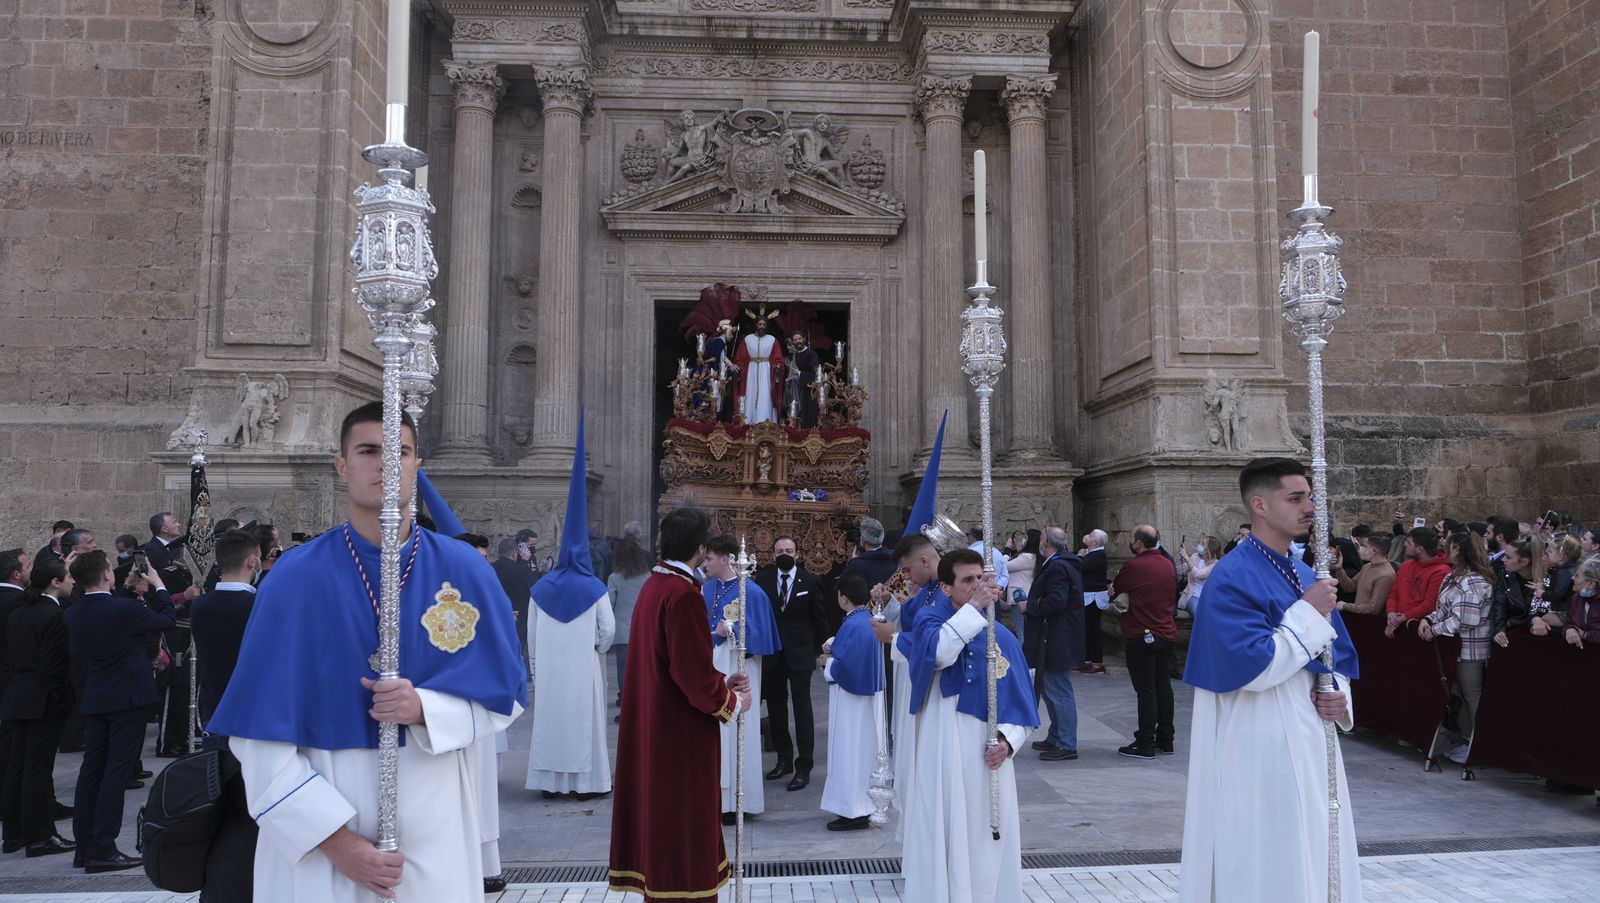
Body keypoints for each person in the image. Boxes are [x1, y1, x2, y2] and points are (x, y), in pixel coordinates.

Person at [206, 402, 526, 901]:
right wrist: (337, 844)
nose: (386, 464)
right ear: (341, 465)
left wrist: (426, 708)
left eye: (400, 451)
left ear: (419, 465)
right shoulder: (294, 577)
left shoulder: (466, 571)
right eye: (369, 450)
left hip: (434, 813)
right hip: (317, 842)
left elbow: (505, 698)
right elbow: (258, 740)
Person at [1179, 457, 1360, 903]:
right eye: (1295, 498)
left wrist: (1339, 694)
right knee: (1269, 844)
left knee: (1316, 838)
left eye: (1310, 497)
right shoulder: (1231, 575)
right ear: (1260, 504)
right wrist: (1308, 612)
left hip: (1310, 730)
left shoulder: (1304, 573)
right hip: (1256, 733)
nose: (1309, 508)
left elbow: (1333, 653)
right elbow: (1252, 665)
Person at [608, 507, 752, 901]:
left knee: (661, 817)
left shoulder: (655, 586)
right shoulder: (683, 595)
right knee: (683, 821)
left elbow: (665, 663)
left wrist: (721, 679)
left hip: (656, 722)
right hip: (680, 735)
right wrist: (733, 701)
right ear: (701, 548)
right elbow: (691, 677)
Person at [900, 548, 1038, 903]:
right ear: (946, 587)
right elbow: (941, 653)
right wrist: (974, 609)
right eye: (967, 581)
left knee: (985, 832)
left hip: (986, 752)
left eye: (981, 579)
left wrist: (1008, 742)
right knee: (945, 824)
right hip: (944, 743)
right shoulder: (930, 620)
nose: (977, 586)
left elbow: (1022, 702)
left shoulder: (1003, 636)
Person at [64, 549, 176, 872]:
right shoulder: (123, 610)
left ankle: (84, 846)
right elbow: (166, 619)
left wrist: (127, 589)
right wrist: (159, 585)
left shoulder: (74, 612)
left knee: (92, 770)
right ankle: (103, 848)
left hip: (97, 695)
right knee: (116, 771)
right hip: (127, 697)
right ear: (106, 574)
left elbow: (109, 613)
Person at [525, 419, 616, 800]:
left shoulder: (541, 588)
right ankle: (584, 784)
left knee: (551, 722)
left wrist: (537, 662)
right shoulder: (594, 588)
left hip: (549, 670)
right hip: (582, 666)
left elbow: (530, 634)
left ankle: (550, 783)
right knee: (585, 724)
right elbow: (608, 629)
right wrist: (595, 648)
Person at [187, 527, 263, 903]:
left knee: (217, 795)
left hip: (212, 706)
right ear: (253, 561)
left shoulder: (201, 605)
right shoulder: (256, 607)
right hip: (249, 710)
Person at [0, 555, 74, 858]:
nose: (72, 582)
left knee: (18, 765)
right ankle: (40, 835)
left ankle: (14, 833)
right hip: (41, 698)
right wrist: (63, 699)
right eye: (68, 578)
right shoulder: (52, 615)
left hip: (18, 695)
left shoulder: (22, 612)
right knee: (37, 769)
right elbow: (54, 667)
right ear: (55, 583)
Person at [701, 534, 778, 821]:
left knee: (739, 731)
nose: (705, 563)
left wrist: (732, 632)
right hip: (712, 670)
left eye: (709, 558)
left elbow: (762, 638)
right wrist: (715, 634)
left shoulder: (752, 592)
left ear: (725, 559)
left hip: (740, 669)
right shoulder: (705, 590)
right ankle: (715, 799)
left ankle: (741, 801)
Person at [754, 535, 825, 791]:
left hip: (801, 654)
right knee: (776, 709)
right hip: (773, 654)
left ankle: (804, 764)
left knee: (802, 709)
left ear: (797, 554)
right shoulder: (762, 581)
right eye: (780, 550)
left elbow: (819, 617)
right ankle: (784, 758)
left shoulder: (810, 580)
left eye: (789, 550)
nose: (784, 553)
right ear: (773, 555)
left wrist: (821, 649)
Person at [1417, 531, 1494, 763]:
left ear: (1459, 550)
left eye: (1448, 546)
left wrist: (1436, 630)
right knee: (1455, 694)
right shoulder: (1453, 577)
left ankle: (1477, 744)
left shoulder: (1474, 582)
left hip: (1470, 648)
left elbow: (1466, 619)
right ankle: (1464, 739)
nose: (1444, 549)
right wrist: (1428, 619)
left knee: (1471, 695)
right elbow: (1444, 609)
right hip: (1454, 647)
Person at [816, 576, 882, 831]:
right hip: (866, 697)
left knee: (847, 752)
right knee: (861, 753)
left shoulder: (852, 625)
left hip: (851, 699)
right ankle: (861, 806)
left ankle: (853, 811)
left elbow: (846, 667)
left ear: (843, 598)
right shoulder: (867, 620)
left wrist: (826, 661)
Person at [1111, 525, 1178, 758]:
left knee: (1146, 689)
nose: (1130, 542)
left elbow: (1116, 588)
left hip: (1141, 633)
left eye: (1131, 539)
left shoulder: (1135, 565)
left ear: (1139, 543)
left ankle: (1146, 743)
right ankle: (1166, 740)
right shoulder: (1167, 563)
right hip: (1166, 632)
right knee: (1163, 686)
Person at [1022, 526, 1083, 761]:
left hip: (1057, 637)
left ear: (1046, 543)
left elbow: (1057, 601)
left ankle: (1066, 743)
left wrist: (1031, 606)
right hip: (1053, 636)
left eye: (1041, 539)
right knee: (1050, 690)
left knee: (1059, 690)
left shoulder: (1058, 565)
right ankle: (1056, 735)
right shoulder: (1059, 563)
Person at [606, 523, 650, 714]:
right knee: (642, 670)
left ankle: (626, 705)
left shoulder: (615, 578)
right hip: (643, 630)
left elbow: (609, 604)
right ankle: (640, 703)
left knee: (623, 670)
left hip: (622, 630)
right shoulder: (648, 576)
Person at [1384, 527, 1450, 637]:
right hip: (1397, 627)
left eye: (1409, 542)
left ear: (1419, 549)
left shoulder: (1442, 571)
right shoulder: (1406, 566)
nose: (1405, 544)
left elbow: (1430, 604)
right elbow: (1394, 593)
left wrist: (1402, 618)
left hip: (1419, 631)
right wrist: (1391, 614)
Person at [490, 538, 536, 679]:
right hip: (520, 616)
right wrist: (525, 561)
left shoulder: (491, 568)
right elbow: (534, 586)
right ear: (514, 553)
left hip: (497, 615)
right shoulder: (520, 568)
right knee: (519, 649)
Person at [1490, 537, 1538, 646]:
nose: (1503, 559)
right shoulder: (1504, 575)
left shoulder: (1544, 578)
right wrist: (1499, 631)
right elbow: (1499, 605)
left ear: (1524, 561)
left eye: (1508, 557)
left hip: (1534, 634)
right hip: (1510, 631)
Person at [735, 317, 783, 424]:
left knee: (765, 394)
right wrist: (739, 366)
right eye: (760, 324)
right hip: (751, 370)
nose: (761, 326)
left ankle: (765, 422)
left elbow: (778, 357)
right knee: (749, 393)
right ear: (756, 325)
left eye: (764, 324)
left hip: (766, 370)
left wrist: (777, 366)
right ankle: (748, 422)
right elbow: (740, 357)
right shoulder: (747, 339)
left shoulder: (772, 340)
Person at [1341, 532, 1396, 616]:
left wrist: (1346, 606)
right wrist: (1339, 569)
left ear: (1374, 551)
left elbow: (1374, 609)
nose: (1361, 548)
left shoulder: (1386, 576)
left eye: (1365, 546)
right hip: (1358, 619)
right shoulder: (1367, 566)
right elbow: (1350, 587)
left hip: (1369, 624)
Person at [1077, 529, 1109, 674]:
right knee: (1087, 629)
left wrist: (1079, 556)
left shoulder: (1098, 555)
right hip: (1088, 595)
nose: (1086, 536)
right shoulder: (1092, 553)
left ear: (1095, 542)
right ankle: (1088, 659)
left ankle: (1096, 661)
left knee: (1093, 630)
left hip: (1094, 596)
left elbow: (1081, 567)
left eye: (1090, 535)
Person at [1002, 529, 1038, 643]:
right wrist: (1014, 551)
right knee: (1022, 631)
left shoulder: (1027, 557)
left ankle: (1023, 658)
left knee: (1021, 632)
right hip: (1024, 596)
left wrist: (1007, 550)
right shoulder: (1029, 556)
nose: (1023, 540)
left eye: (1026, 538)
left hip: (1020, 597)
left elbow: (1004, 566)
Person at [1560, 554, 1600, 648]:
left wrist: (1585, 635)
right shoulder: (1576, 598)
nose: (1572, 578)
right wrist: (1570, 630)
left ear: (1591, 584)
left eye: (1577, 575)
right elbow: (1569, 623)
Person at [1175, 536, 1221, 613]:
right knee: (1198, 613)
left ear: (1209, 548)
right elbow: (1180, 571)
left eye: (1203, 543)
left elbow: (1199, 575)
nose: (1199, 544)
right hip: (1193, 595)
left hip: (1208, 597)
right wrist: (1181, 558)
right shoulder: (1195, 556)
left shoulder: (1215, 563)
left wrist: (1187, 558)